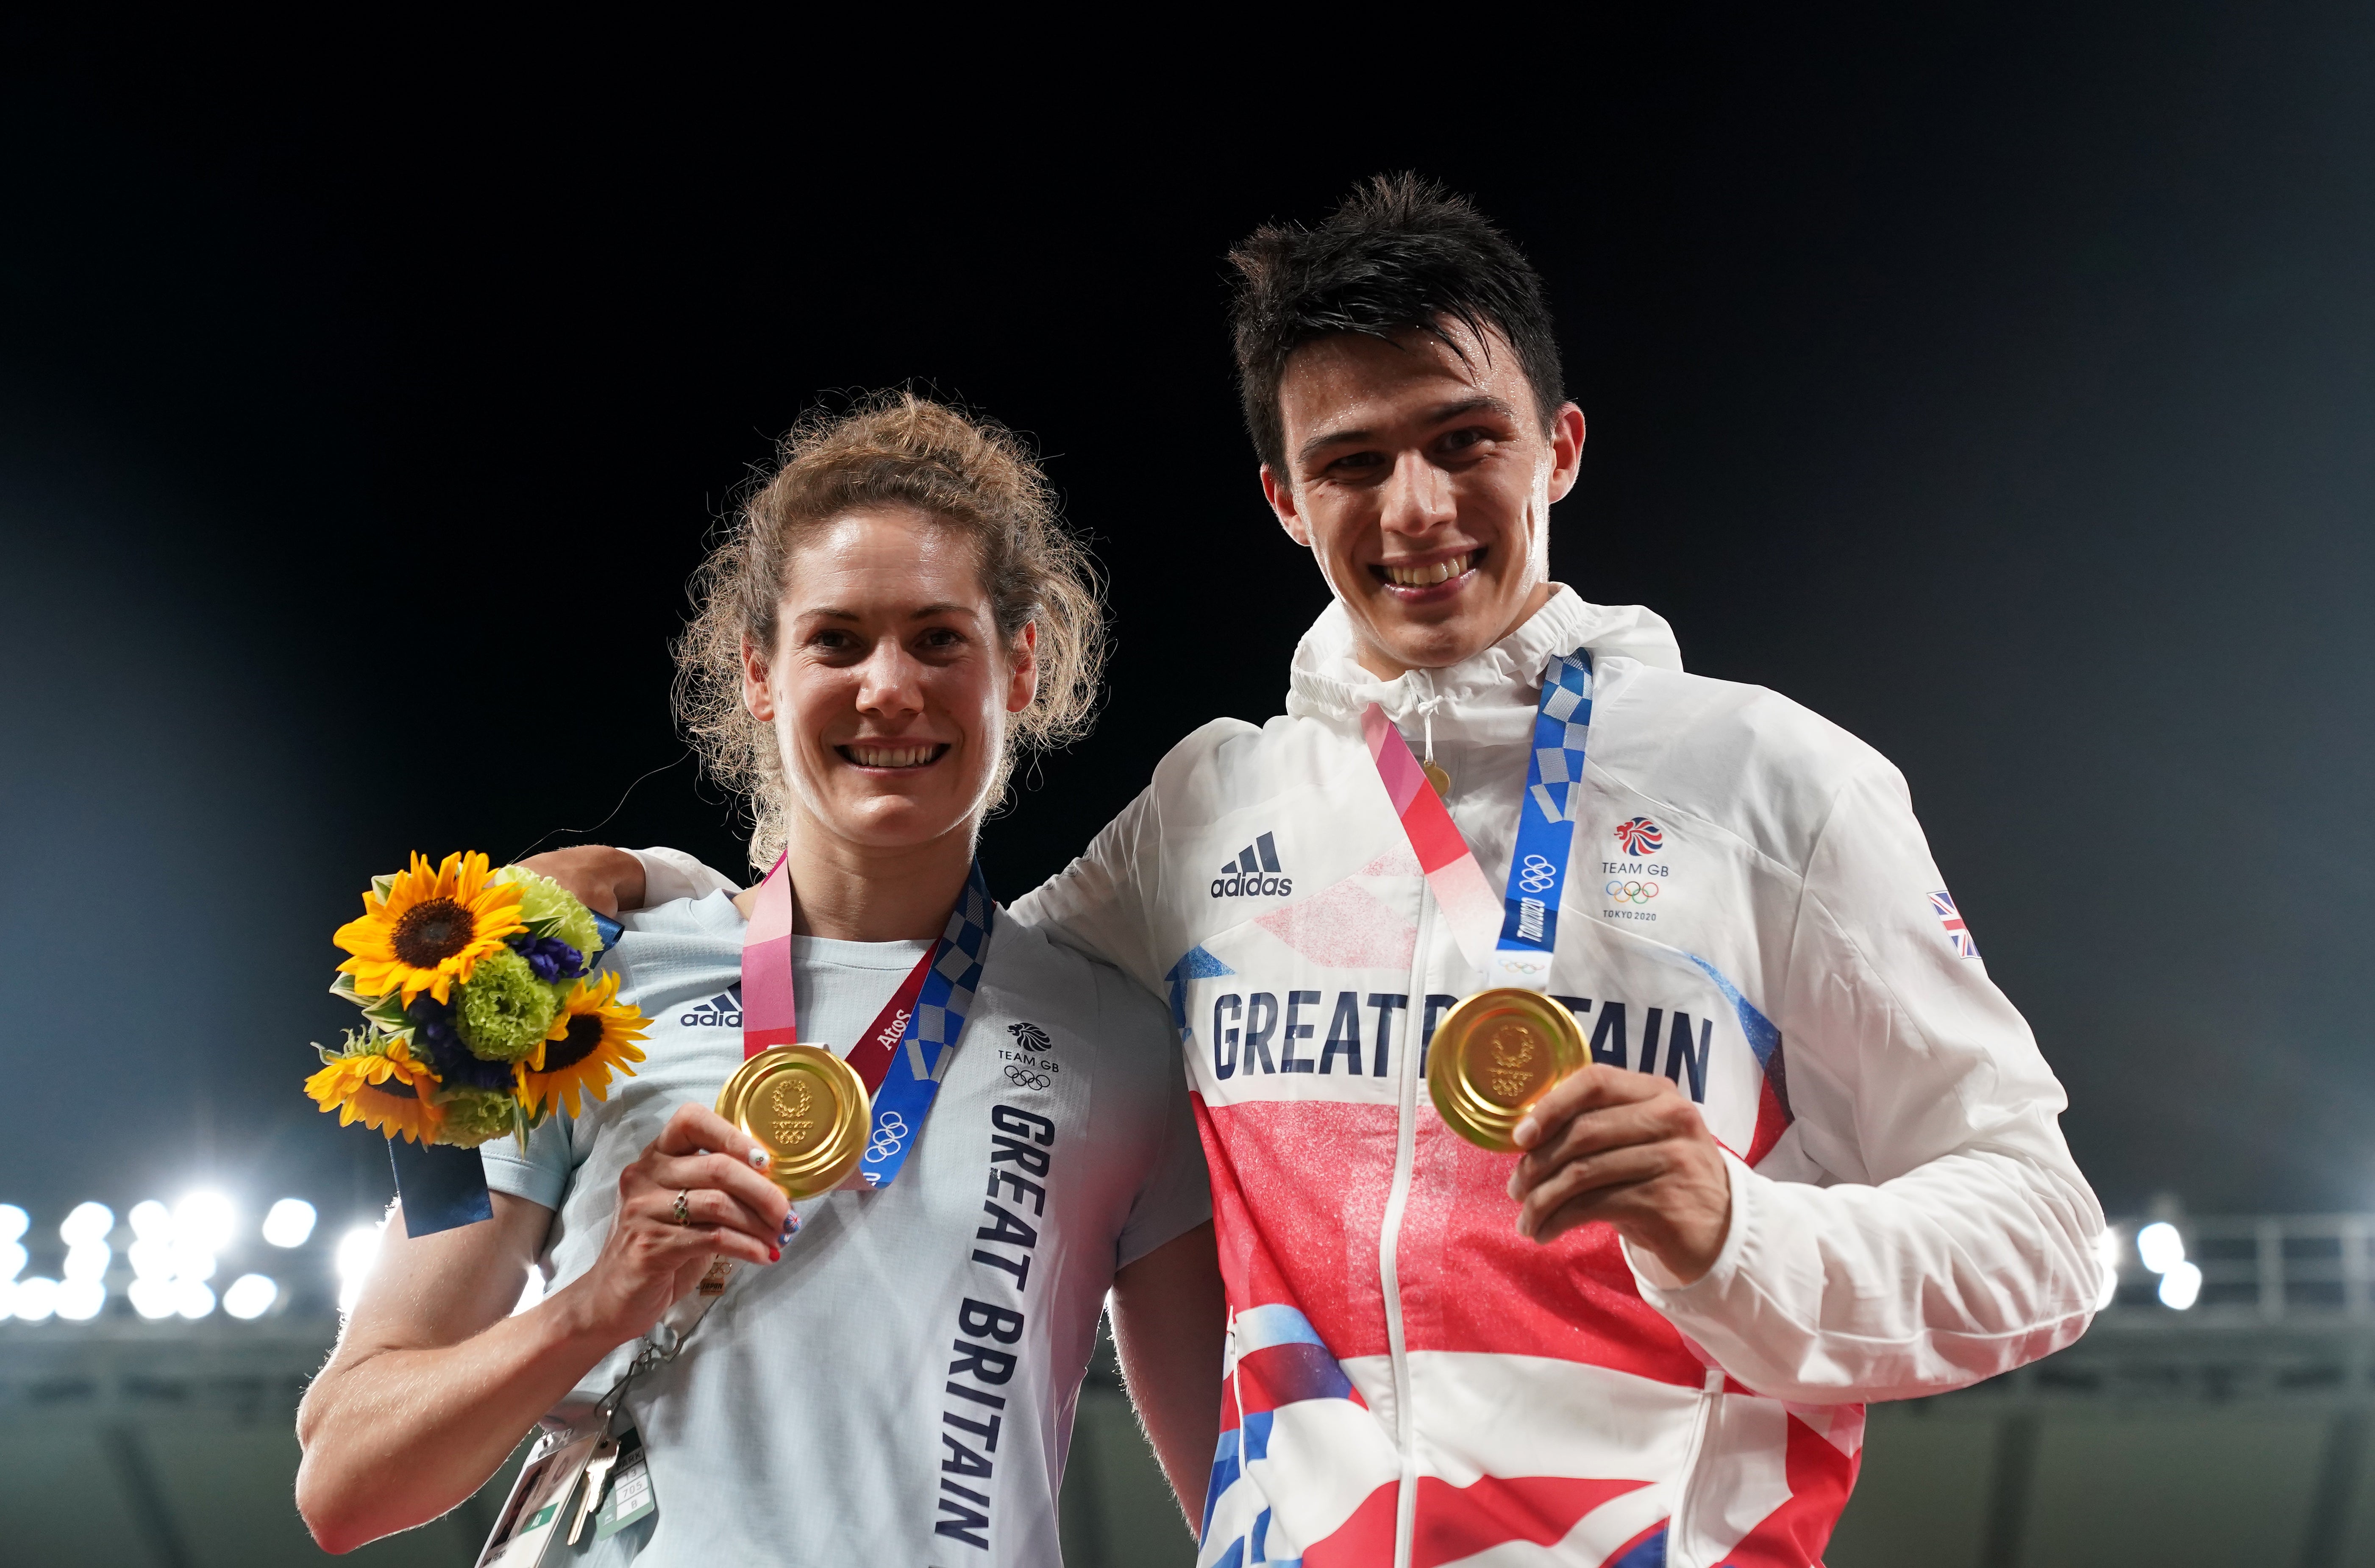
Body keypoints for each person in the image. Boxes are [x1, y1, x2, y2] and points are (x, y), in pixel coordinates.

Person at [573, 176, 2104, 1568]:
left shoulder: (1773, 785)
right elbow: (939, 984)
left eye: (1464, 439)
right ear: (1284, 501)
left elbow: (2043, 1234)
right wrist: (672, 898)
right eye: (1352, 463)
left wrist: (1735, 1227)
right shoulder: (1212, 806)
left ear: (1558, 447)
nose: (1417, 510)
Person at [294, 394, 1225, 1565]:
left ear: (1019, 666)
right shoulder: (559, 991)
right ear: (758, 672)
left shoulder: (1118, 1046)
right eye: (836, 639)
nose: (889, 687)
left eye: (940, 637)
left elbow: (1236, 1498)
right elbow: (343, 1475)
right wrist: (597, 1302)